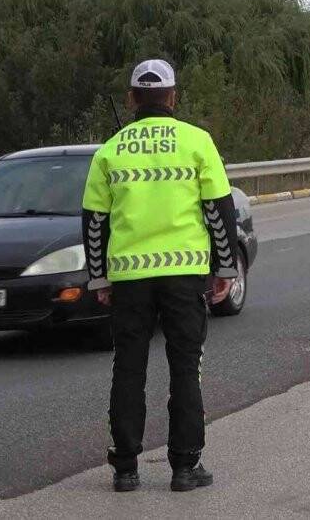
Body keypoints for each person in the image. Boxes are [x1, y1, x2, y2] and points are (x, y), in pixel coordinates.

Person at [81, 59, 241, 492]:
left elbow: (94, 221)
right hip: (185, 275)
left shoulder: (110, 151)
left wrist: (99, 279)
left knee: (128, 367)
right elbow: (219, 211)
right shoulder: (197, 142)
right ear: (173, 97)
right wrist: (225, 269)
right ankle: (185, 467)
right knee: (186, 367)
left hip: (129, 278)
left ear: (132, 98)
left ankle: (126, 468)